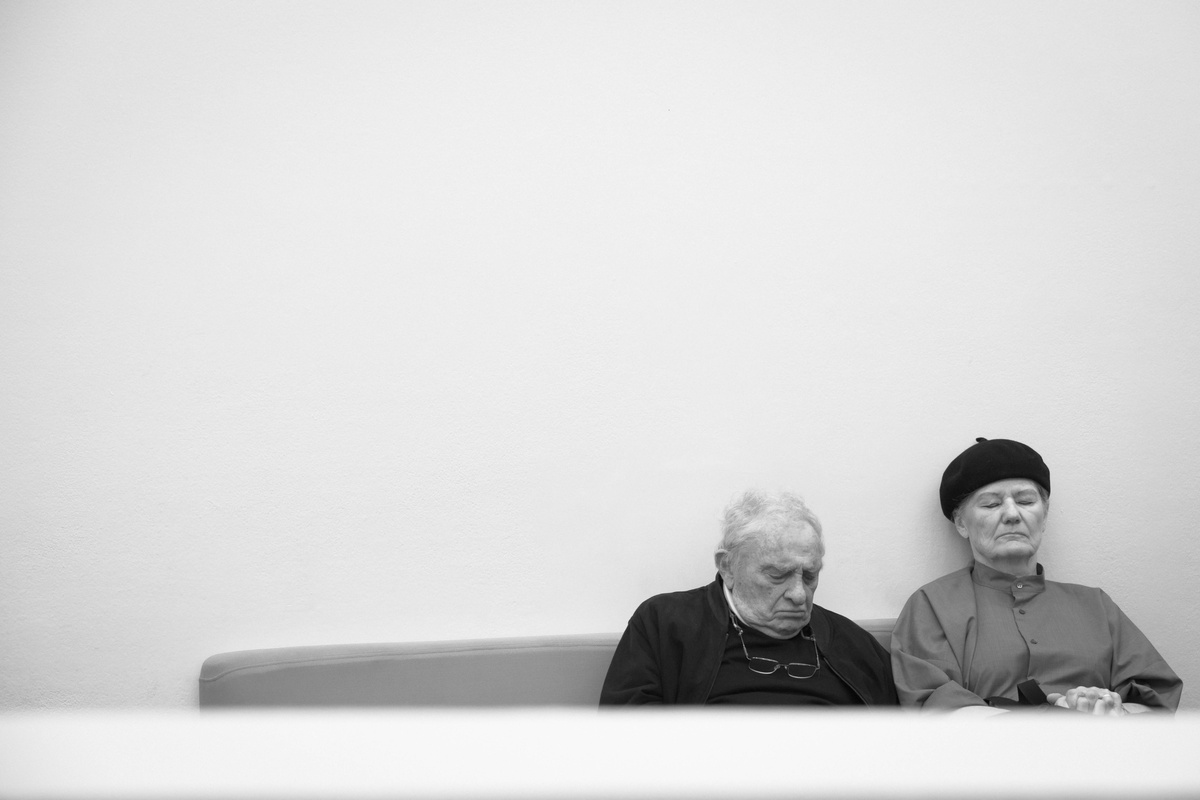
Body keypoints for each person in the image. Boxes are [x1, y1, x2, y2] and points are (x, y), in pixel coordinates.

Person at [891, 437, 1182, 715]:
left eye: (1026, 501)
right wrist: (1050, 722)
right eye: (991, 504)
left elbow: (1156, 700)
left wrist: (1110, 711)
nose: (1012, 514)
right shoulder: (932, 604)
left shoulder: (1096, 604)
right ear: (961, 523)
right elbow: (933, 704)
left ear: (1045, 515)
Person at [599, 490, 898, 705]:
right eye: (777, 575)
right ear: (728, 566)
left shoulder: (855, 645)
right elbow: (627, 737)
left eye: (809, 575)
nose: (799, 594)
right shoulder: (664, 624)